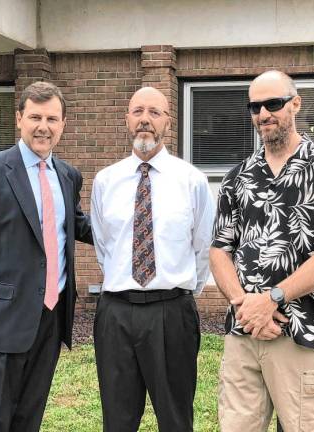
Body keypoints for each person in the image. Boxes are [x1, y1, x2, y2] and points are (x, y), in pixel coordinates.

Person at [210, 70, 314, 432]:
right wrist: (243, 305)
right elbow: (219, 250)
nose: (263, 114)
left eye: (273, 103)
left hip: (303, 334)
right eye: (255, 106)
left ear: (295, 103)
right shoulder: (238, 177)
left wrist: (272, 299)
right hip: (245, 334)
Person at [0, 81, 93, 432]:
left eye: (52, 119)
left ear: (63, 124)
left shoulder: (68, 176)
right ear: (19, 119)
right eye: (36, 117)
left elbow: (76, 225)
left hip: (49, 320)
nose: (44, 126)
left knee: (29, 419)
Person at [91, 86, 215, 432]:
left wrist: (182, 292)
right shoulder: (105, 181)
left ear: (167, 123)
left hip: (171, 312)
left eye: (154, 113)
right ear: (127, 120)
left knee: (175, 418)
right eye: (138, 111)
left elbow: (203, 246)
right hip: (115, 314)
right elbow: (104, 245)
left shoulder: (192, 180)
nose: (145, 119)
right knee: (117, 419)